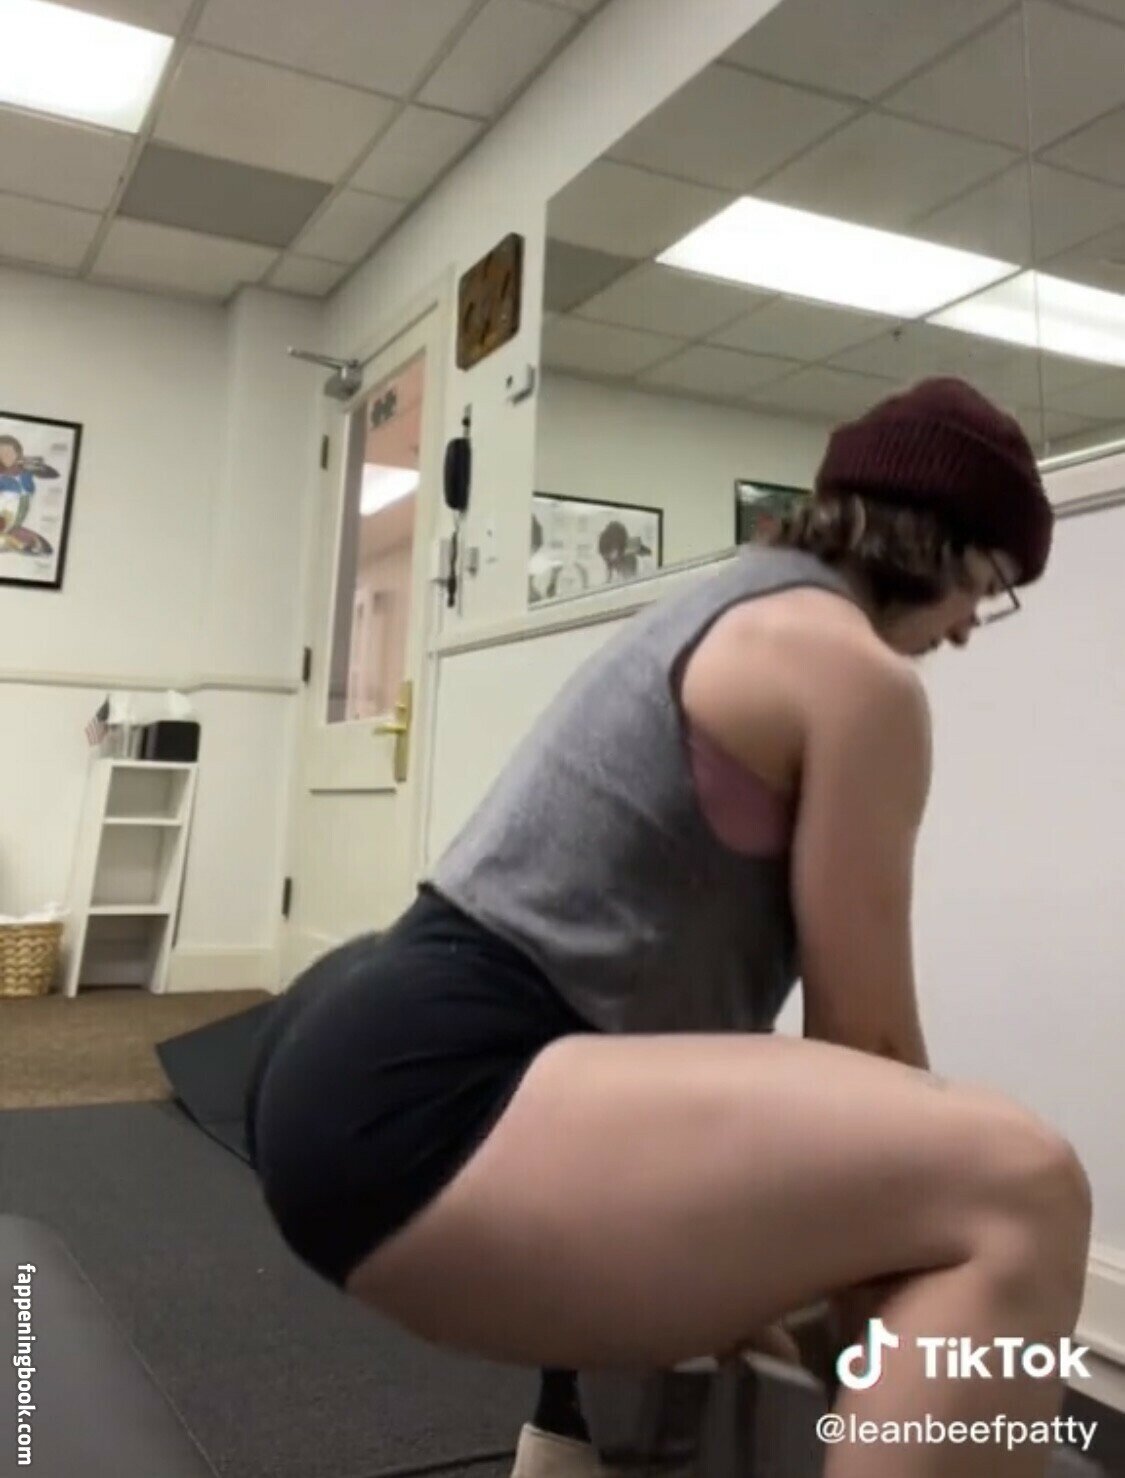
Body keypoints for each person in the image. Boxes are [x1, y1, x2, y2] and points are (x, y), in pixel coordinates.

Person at [246, 378, 1091, 1478]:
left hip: (363, 1053)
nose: (973, 624)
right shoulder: (853, 672)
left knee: (735, 1212)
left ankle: (570, 1443)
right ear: (937, 543)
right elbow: (870, 1045)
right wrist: (868, 1321)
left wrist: (765, 1289)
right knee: (1021, 1186)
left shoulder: (722, 606)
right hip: (438, 1094)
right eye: (988, 583)